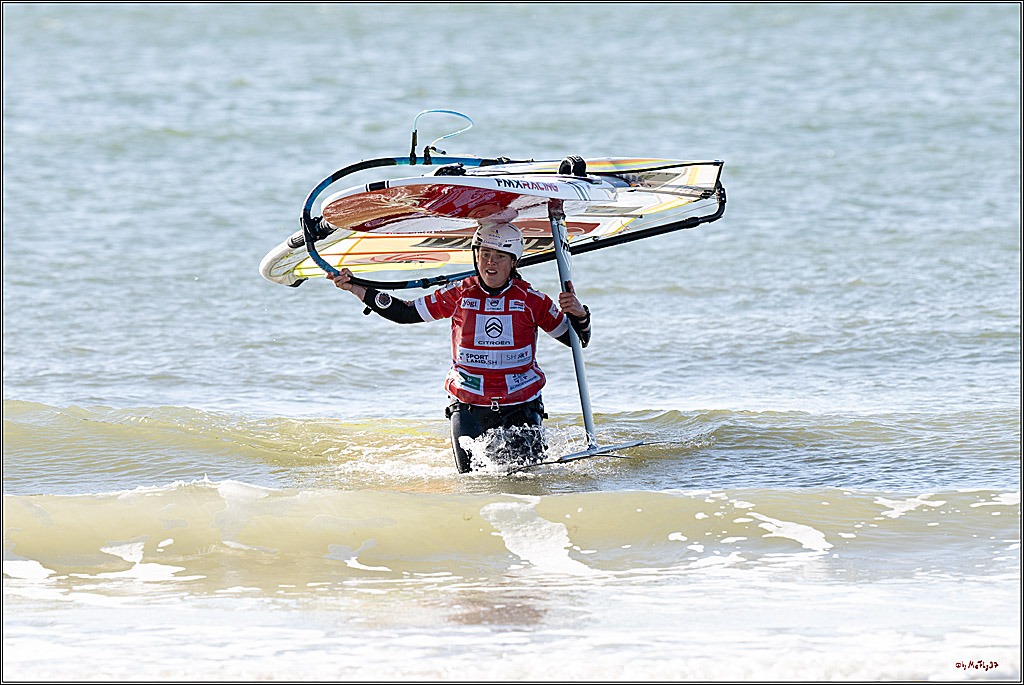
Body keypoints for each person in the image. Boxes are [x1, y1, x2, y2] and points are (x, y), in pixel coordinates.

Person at [327, 222, 592, 472]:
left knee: (530, 483)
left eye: (500, 256)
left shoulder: (534, 301)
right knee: (473, 488)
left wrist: (580, 316)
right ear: (476, 255)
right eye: (485, 253)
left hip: (521, 406)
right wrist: (358, 289)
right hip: (468, 407)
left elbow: (577, 342)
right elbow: (405, 313)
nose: (490, 262)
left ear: (513, 262)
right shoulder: (458, 294)